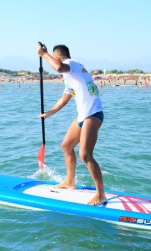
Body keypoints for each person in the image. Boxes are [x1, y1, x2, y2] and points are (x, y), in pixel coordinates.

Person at [37, 43, 107, 206]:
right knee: (67, 146)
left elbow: (58, 66)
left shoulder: (71, 64)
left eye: (54, 58)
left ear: (59, 57)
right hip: (84, 115)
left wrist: (44, 54)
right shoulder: (71, 76)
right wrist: (49, 113)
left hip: (93, 114)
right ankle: (69, 181)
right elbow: (63, 100)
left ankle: (101, 194)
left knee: (85, 155)